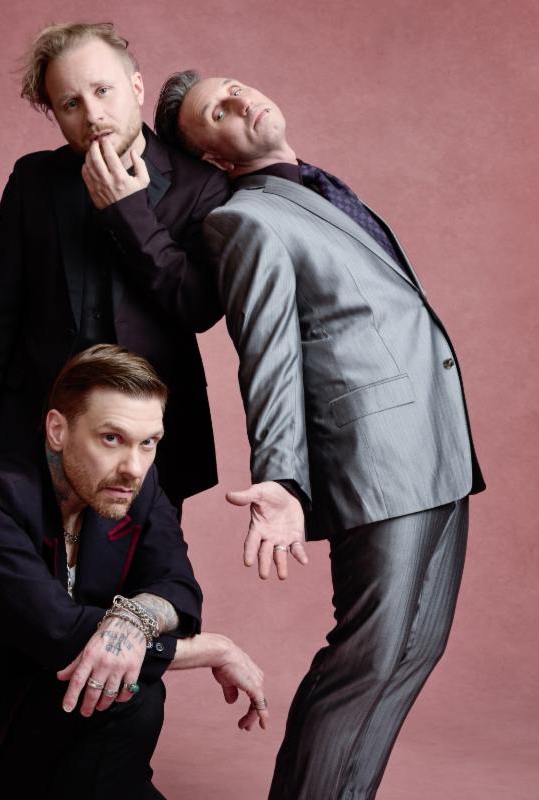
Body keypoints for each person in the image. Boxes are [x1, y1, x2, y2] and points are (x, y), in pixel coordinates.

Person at [156, 73, 486, 799]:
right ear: (214, 158)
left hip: (436, 445)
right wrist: (282, 479)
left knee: (411, 654)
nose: (240, 101)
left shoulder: (316, 189)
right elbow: (268, 356)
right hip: (377, 458)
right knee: (370, 658)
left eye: (234, 88)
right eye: (218, 112)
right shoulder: (244, 220)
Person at [0, 345, 267, 799]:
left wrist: (133, 619)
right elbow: (59, 631)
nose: (134, 467)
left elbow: (178, 586)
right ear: (57, 430)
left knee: (129, 694)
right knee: (132, 694)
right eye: (112, 438)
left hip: (59, 738)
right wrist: (214, 650)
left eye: (148, 442)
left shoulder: (134, 489)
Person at [0, 22, 230, 511]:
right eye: (70, 104)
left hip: (150, 440)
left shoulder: (201, 186)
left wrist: (128, 211)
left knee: (144, 561)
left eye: (103, 90)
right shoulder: (33, 180)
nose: (93, 115)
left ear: (136, 86)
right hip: (37, 433)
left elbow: (199, 306)